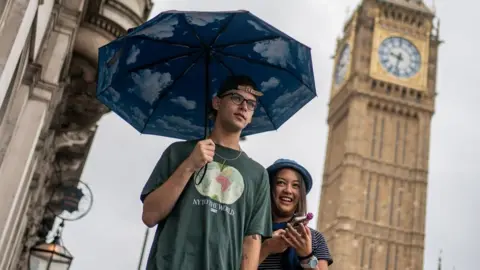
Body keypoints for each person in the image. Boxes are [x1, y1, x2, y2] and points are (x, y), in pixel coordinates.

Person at [140, 75, 273, 270]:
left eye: (251, 104)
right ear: (217, 102)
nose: (244, 107)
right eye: (236, 98)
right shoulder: (178, 152)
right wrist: (189, 165)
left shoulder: (258, 175)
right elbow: (150, 215)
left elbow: (251, 242)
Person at [258, 159, 333, 270]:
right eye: (281, 183)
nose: (288, 190)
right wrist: (266, 248)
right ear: (269, 188)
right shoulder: (251, 233)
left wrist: (306, 256)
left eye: (295, 185)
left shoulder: (315, 238)